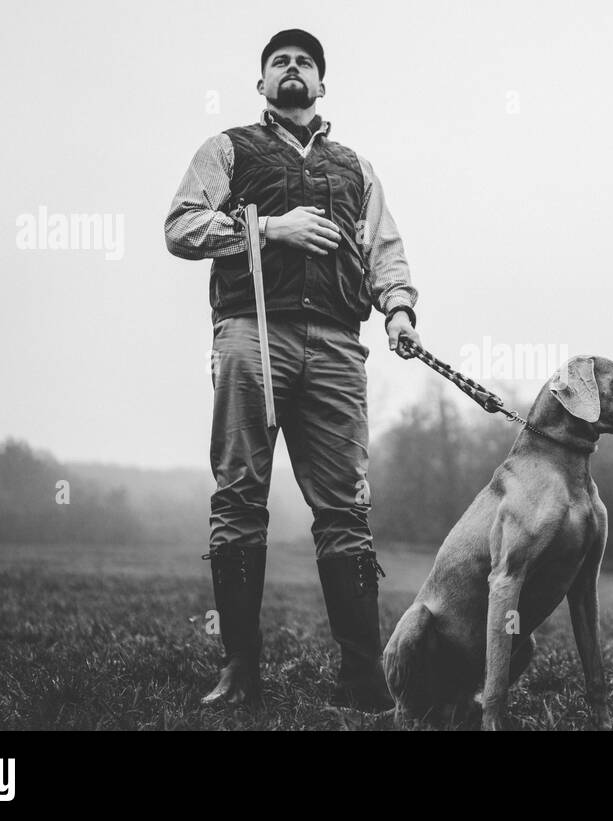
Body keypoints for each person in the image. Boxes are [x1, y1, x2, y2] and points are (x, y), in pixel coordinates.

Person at [163, 28, 421, 711]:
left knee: (346, 509)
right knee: (241, 495)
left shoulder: (356, 168)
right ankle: (240, 671)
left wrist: (398, 310)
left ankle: (362, 680)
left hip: (338, 345)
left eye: (304, 61)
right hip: (251, 333)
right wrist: (269, 227)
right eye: (280, 61)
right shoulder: (228, 149)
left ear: (321, 83)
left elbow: (386, 250)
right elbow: (182, 226)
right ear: (262, 83)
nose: (292, 68)